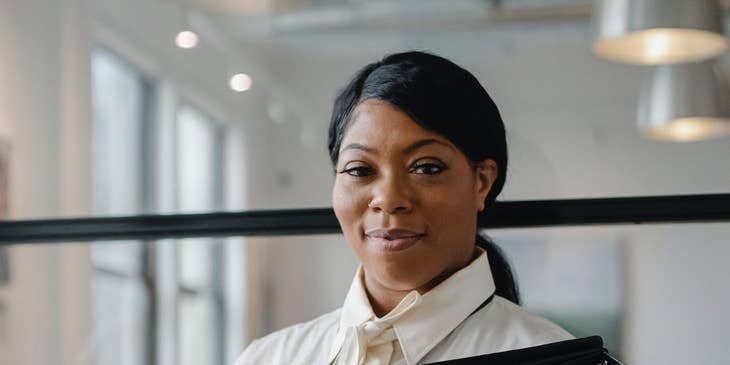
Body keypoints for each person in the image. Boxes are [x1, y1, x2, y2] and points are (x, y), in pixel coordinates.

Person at [235, 51, 572, 365]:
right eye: (360, 170)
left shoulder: (553, 358)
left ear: (481, 182)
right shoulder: (268, 358)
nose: (389, 198)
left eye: (426, 168)